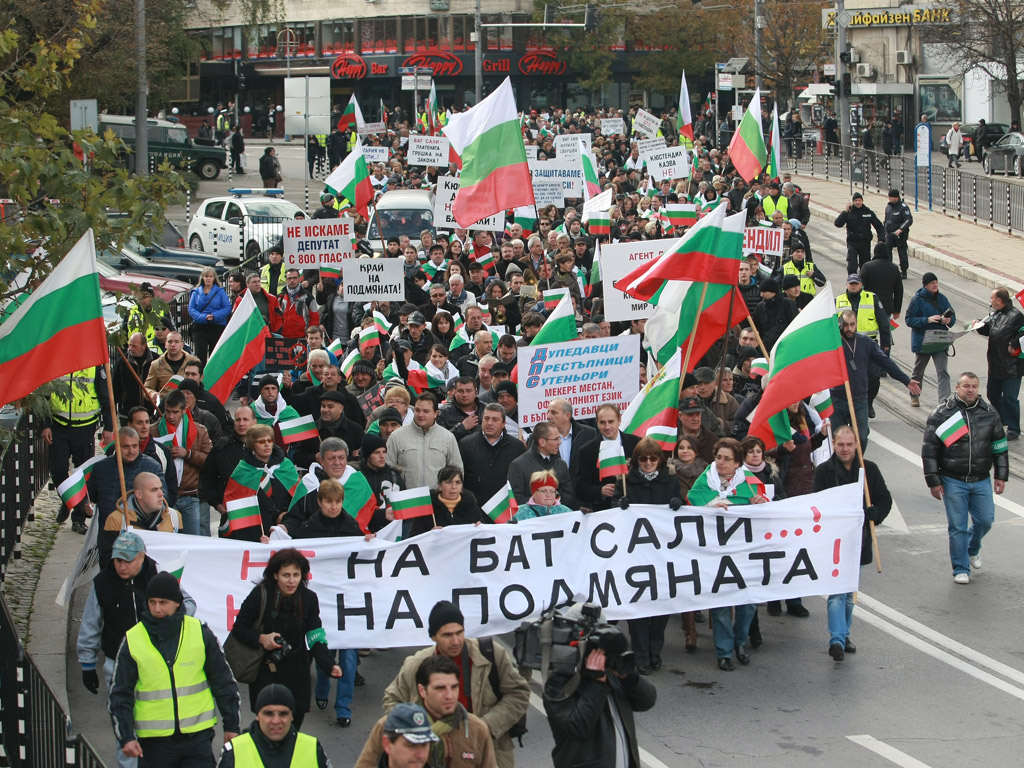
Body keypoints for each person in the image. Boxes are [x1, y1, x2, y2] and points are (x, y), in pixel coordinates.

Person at [78, 533, 197, 768]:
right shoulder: (102, 583)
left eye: (128, 560)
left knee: (159, 729)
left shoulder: (160, 576)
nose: (122, 566)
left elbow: (189, 605)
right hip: (118, 665)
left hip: (158, 667)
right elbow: (90, 624)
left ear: (142, 556)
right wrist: (87, 663)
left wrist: (170, 622)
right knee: (125, 730)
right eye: (118, 560)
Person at [108, 572, 240, 767]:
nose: (157, 609)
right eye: (152, 602)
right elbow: (119, 694)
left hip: (197, 740)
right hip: (154, 744)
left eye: (163, 602)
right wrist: (126, 736)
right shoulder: (134, 639)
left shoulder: (200, 633)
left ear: (177, 602)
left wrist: (232, 726)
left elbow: (224, 682)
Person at [382, 601, 531, 768]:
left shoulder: (490, 654)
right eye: (447, 635)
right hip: (433, 757)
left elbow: (519, 692)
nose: (455, 641)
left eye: (459, 632)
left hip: (485, 753)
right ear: (433, 637)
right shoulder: (417, 664)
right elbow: (392, 700)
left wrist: (485, 726)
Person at [227, 549, 342, 729]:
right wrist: (261, 638)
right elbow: (239, 629)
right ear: (275, 575)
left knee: (293, 731)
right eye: (286, 575)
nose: (291, 581)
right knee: (269, 729)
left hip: (298, 673)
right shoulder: (260, 595)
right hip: (266, 673)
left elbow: (315, 636)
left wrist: (329, 664)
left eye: (296, 575)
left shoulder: (309, 598)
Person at [811, 424, 891, 660]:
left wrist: (875, 513)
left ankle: (844, 634)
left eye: (849, 444)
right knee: (837, 592)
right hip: (835, 542)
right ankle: (836, 639)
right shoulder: (824, 471)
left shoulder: (869, 471)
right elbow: (817, 504)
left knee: (848, 594)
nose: (845, 449)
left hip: (860, 542)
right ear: (833, 445)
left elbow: (885, 500)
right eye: (840, 444)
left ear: (856, 445)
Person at [543, 603, 657, 768]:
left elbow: (648, 700)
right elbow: (579, 726)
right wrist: (596, 683)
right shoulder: (559, 681)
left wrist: (629, 677)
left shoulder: (611, 670)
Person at [687, 438, 768, 670]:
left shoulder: (749, 483)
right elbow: (692, 502)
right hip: (716, 552)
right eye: (718, 457)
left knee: (748, 602)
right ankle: (724, 651)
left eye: (727, 459)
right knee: (721, 603)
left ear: (738, 463)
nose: (721, 463)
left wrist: (759, 502)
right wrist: (710, 506)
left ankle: (739, 642)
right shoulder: (705, 480)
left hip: (743, 552)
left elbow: (765, 506)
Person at [922, 372, 1009, 584]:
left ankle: (972, 547)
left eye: (974, 386)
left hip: (980, 479)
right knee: (957, 526)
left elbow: (1000, 447)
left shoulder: (989, 413)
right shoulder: (942, 413)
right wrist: (934, 481)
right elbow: (930, 450)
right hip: (953, 480)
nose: (970, 390)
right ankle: (961, 568)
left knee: (985, 520)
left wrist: (1001, 475)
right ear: (957, 388)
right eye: (966, 386)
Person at [358, 656, 497, 768]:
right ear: (422, 690)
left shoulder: (476, 729)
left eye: (454, 687)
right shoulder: (390, 725)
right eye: (440, 688)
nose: (450, 695)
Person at [618, 438, 682, 674]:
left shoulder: (671, 482)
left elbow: (680, 516)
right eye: (643, 459)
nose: (648, 463)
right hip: (635, 556)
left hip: (662, 556)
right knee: (638, 609)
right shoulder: (625, 482)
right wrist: (619, 503)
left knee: (661, 607)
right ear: (636, 461)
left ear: (660, 460)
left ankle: (655, 651)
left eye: (653, 458)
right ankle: (641, 656)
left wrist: (678, 504)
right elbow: (613, 514)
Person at [832, 310, 919, 449]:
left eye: (852, 325)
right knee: (838, 440)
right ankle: (842, 469)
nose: (849, 329)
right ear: (840, 324)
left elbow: (885, 361)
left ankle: (857, 468)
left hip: (859, 399)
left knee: (861, 437)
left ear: (857, 324)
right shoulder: (834, 343)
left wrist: (906, 380)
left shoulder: (865, 342)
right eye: (846, 325)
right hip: (838, 399)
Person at [43, 365, 115, 532]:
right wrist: (45, 425)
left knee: (82, 474)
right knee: (58, 468)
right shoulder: (56, 360)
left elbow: (105, 396)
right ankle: (68, 499)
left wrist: (109, 426)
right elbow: (45, 395)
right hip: (58, 425)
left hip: (85, 427)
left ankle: (78, 518)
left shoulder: (94, 365)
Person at [217, 684, 331, 768]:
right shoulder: (234, 753)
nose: (276, 721)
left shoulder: (313, 749)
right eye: (268, 713)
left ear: (292, 716)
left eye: (283, 713)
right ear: (257, 715)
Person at [835, 273, 893, 419]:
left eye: (856, 283)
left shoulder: (871, 298)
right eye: (851, 283)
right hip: (845, 347)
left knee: (873, 377)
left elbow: (883, 322)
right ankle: (850, 405)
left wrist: (886, 345)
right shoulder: (838, 301)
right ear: (847, 285)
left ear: (861, 285)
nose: (853, 286)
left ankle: (869, 402)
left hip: (869, 346)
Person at [975, 287, 1024, 440]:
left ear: (999, 300)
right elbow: (992, 331)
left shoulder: (1016, 316)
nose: (990, 301)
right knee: (992, 394)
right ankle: (1001, 420)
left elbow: (1023, 332)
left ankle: (1014, 428)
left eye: (992, 298)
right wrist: (979, 326)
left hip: (1011, 367)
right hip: (995, 364)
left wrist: (1014, 344)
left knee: (1010, 397)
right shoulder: (996, 314)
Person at [386, 392, 463, 489]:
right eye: (417, 410)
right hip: (407, 499)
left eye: (426, 411)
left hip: (437, 499)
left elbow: (457, 471)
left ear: (436, 413)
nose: (420, 415)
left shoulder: (448, 438)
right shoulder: (397, 436)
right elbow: (387, 469)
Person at [573, 403, 641, 511]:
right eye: (602, 422)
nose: (607, 427)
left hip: (635, 508)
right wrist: (600, 491)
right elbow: (580, 488)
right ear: (597, 423)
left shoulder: (637, 444)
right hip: (604, 512)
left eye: (611, 421)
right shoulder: (586, 451)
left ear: (619, 420)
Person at [459, 403, 525, 504]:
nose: (489, 423)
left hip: (505, 508)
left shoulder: (517, 447)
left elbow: (520, 481)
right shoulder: (466, 444)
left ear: (503, 423)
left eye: (495, 419)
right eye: (486, 418)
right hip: (475, 508)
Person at [906, 272, 956, 406]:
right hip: (923, 342)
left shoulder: (942, 299)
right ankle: (915, 395)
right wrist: (926, 320)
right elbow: (909, 320)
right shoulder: (917, 300)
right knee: (918, 371)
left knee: (943, 372)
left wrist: (948, 320)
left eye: (936, 282)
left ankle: (944, 401)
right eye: (932, 283)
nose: (935, 285)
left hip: (940, 340)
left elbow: (952, 316)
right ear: (925, 285)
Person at [507, 421, 575, 507]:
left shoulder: (561, 464)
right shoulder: (518, 465)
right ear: (542, 442)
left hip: (557, 517)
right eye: (556, 439)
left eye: (559, 438)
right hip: (532, 518)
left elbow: (569, 495)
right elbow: (515, 498)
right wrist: (540, 502)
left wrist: (555, 500)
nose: (560, 442)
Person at [834, 193, 886, 275]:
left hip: (865, 242)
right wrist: (845, 212)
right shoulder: (849, 212)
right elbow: (837, 224)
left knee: (865, 265)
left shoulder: (868, 212)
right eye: (856, 201)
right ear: (853, 202)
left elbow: (879, 226)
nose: (858, 202)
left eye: (859, 200)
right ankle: (852, 282)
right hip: (853, 242)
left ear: (862, 201)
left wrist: (881, 240)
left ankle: (864, 283)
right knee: (852, 265)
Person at [188, 268, 231, 363]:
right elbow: (191, 309)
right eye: (206, 276)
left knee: (214, 357)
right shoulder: (196, 292)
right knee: (200, 356)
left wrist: (214, 316)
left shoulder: (220, 291)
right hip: (200, 327)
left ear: (214, 278)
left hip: (216, 327)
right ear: (202, 278)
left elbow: (227, 308)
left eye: (211, 276)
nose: (208, 279)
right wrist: (203, 317)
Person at [883, 188, 913, 278]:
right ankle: (888, 269)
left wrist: (901, 229)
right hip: (890, 234)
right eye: (889, 197)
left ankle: (904, 271)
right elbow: (887, 219)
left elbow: (908, 219)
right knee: (887, 250)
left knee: (902, 252)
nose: (890, 199)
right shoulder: (888, 207)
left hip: (900, 235)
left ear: (896, 197)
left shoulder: (903, 207)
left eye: (892, 197)